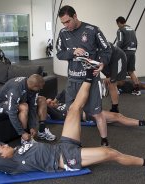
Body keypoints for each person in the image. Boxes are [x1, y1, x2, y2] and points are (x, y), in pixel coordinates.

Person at [0, 70, 145, 174]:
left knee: (73, 109)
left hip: (61, 145)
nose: (6, 145)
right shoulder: (13, 164)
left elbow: (32, 111)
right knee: (110, 153)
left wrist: (32, 130)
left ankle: (89, 74)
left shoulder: (18, 148)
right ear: (2, 157)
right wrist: (0, 154)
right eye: (3, 148)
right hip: (65, 159)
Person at [56, 5, 112, 146]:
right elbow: (59, 53)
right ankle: (75, 144)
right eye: (63, 22)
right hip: (73, 80)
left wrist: (102, 64)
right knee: (73, 114)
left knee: (97, 113)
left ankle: (104, 141)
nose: (65, 25)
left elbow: (107, 49)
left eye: (68, 21)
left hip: (90, 79)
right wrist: (72, 52)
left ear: (75, 16)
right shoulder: (63, 33)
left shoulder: (92, 30)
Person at [46, 90, 145, 129]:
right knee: (117, 117)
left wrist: (55, 99)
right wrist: (48, 105)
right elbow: (46, 107)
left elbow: (65, 91)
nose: (51, 102)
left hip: (89, 110)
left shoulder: (61, 102)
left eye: (50, 101)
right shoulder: (57, 114)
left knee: (117, 117)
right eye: (49, 104)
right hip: (88, 115)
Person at [0, 74, 56, 143]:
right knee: (24, 106)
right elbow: (12, 114)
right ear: (34, 86)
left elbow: (33, 106)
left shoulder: (32, 86)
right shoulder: (16, 90)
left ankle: (42, 131)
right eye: (40, 87)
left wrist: (32, 126)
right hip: (2, 103)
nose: (41, 88)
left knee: (42, 100)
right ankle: (25, 139)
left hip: (21, 99)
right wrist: (22, 132)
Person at [115, 16, 140, 93]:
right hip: (132, 52)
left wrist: (115, 51)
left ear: (119, 22)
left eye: (117, 24)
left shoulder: (120, 30)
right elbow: (136, 41)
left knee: (120, 71)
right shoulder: (132, 29)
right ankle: (137, 90)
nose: (117, 25)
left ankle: (117, 89)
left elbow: (120, 42)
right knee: (131, 71)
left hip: (124, 53)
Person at [101, 42, 127, 113]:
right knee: (110, 81)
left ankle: (115, 109)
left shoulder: (101, 43)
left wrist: (112, 78)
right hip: (106, 59)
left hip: (117, 57)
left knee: (112, 83)